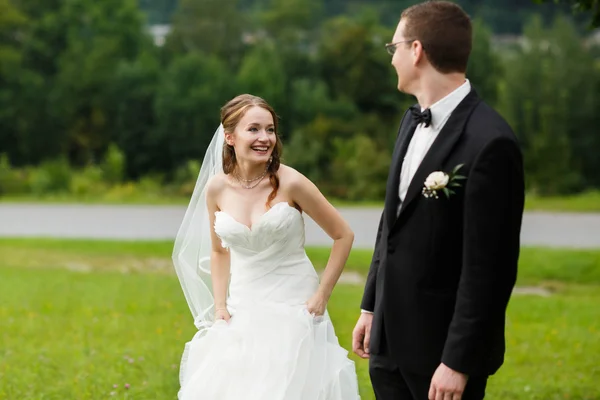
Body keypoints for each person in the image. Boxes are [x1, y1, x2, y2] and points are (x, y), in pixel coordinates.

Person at [351, 2, 525, 400]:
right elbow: (391, 225)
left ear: (416, 50)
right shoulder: (410, 121)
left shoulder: (490, 142)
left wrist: (458, 362)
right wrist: (370, 307)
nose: (391, 58)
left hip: (440, 356)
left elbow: (490, 269)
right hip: (388, 343)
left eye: (393, 47)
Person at [172, 94, 361, 400]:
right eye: (254, 129)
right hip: (243, 304)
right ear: (230, 137)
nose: (265, 138)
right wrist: (220, 306)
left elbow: (343, 235)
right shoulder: (217, 188)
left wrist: (321, 296)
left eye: (270, 130)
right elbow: (219, 251)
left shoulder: (291, 182)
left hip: (295, 302)